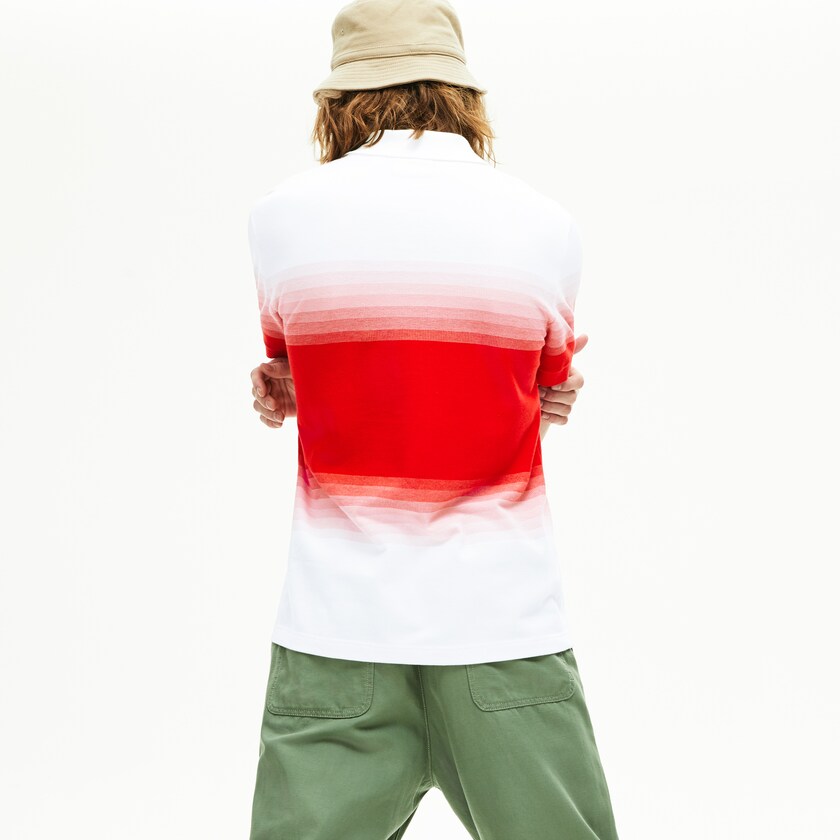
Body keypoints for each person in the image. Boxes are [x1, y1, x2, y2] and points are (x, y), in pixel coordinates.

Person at [245, 1, 620, 837]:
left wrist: (290, 387)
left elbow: (309, 370)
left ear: (340, 99)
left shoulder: (279, 218)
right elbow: (535, 389)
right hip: (499, 622)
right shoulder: (546, 225)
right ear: (463, 95)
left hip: (335, 625)